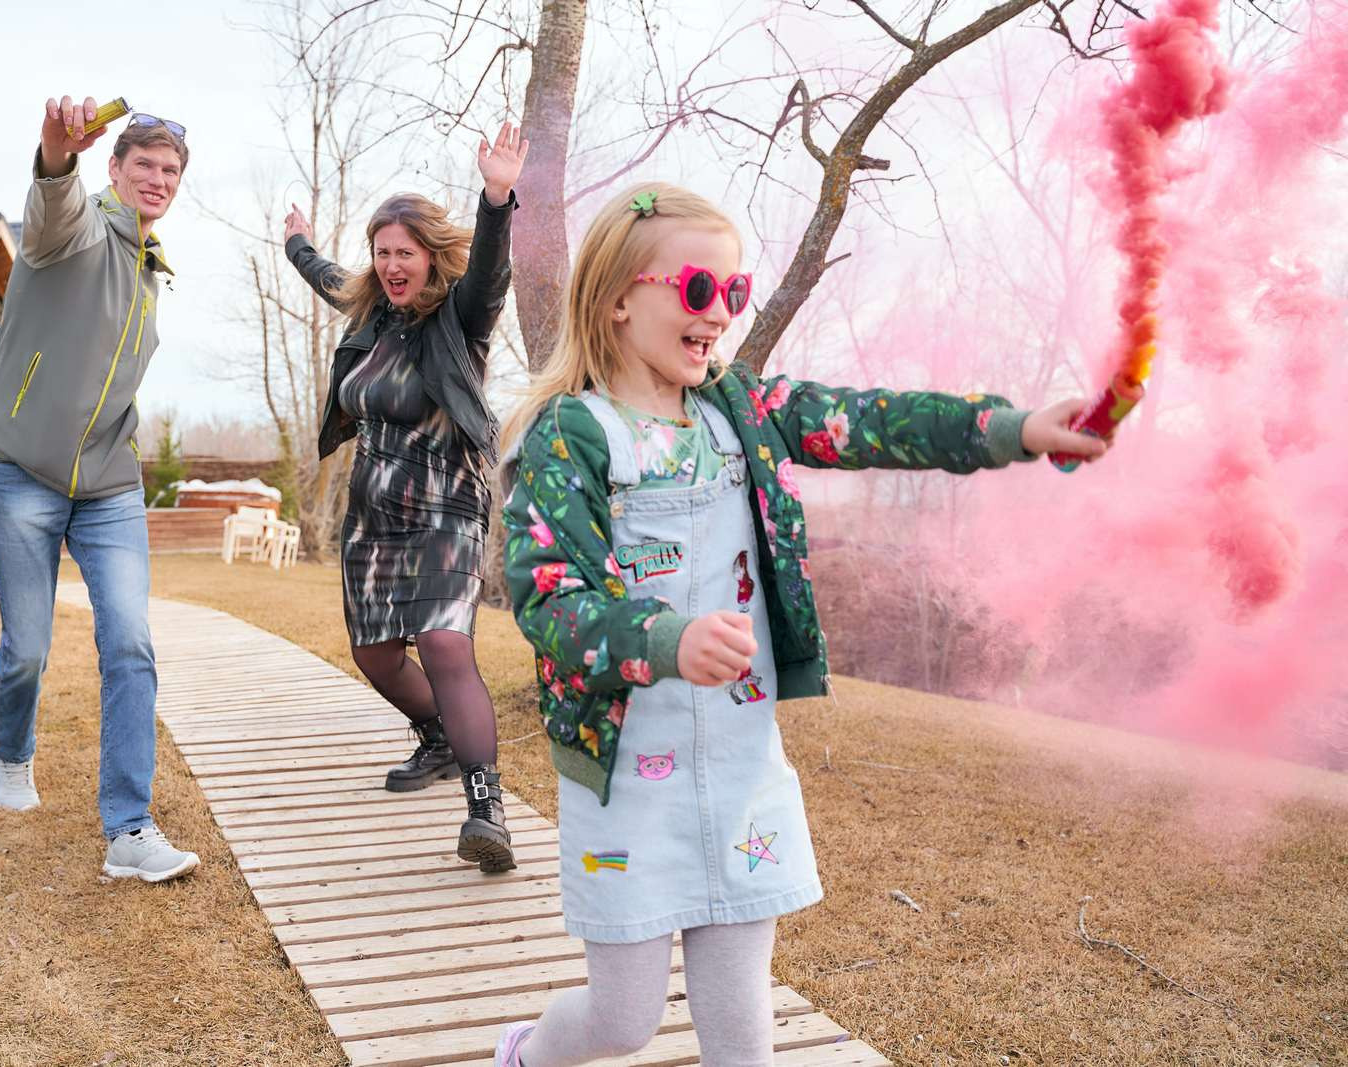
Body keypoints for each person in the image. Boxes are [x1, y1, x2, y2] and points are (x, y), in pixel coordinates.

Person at [491, 182, 1108, 1065]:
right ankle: (525, 1053)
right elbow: (549, 598)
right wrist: (666, 640)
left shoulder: (739, 413)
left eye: (735, 295)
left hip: (743, 770)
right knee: (622, 1021)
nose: (722, 315)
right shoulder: (571, 435)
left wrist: (1016, 428)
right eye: (701, 290)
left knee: (743, 1036)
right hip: (627, 782)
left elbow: (870, 422)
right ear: (620, 296)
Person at [281, 122, 530, 873]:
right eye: (383, 252)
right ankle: (441, 738)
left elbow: (489, 273)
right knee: (376, 653)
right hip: (374, 511)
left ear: (429, 257)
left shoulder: (459, 319)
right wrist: (297, 244)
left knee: (447, 644)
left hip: (447, 502)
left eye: (405, 253)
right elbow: (329, 275)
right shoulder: (368, 311)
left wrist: (496, 198)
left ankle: (486, 809)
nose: (393, 266)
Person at [0, 95, 198, 883]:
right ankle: (10, 752)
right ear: (114, 168)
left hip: (108, 483)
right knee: (26, 648)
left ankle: (129, 828)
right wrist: (54, 157)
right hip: (20, 475)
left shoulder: (149, 263)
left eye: (171, 170)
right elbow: (52, 205)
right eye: (145, 164)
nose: (158, 178)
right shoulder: (76, 227)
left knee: (130, 640)